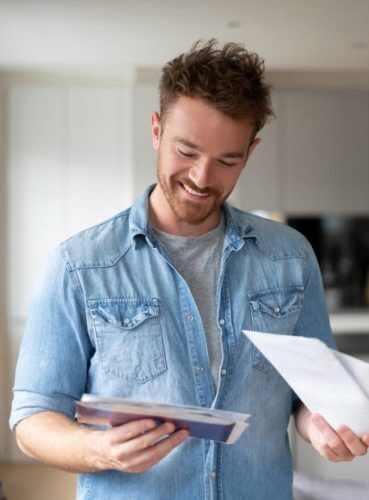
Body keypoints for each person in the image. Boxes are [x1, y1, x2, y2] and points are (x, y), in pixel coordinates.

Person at [9, 39, 369, 500]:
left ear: (251, 151)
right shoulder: (78, 265)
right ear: (156, 130)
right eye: (187, 151)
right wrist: (99, 449)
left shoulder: (290, 257)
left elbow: (309, 393)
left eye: (227, 161)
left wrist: (318, 425)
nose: (202, 178)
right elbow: (33, 419)